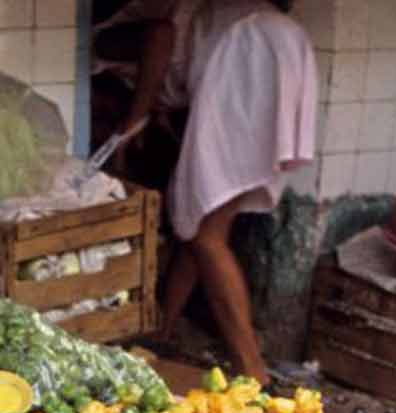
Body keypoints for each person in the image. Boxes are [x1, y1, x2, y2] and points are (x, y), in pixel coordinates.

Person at [114, 0, 317, 384]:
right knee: (201, 216)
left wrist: (133, 120)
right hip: (280, 49)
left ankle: (252, 369)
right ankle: (163, 330)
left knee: (207, 235)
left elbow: (159, 38)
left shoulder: (103, 34)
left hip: (248, 54)